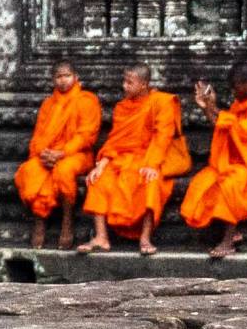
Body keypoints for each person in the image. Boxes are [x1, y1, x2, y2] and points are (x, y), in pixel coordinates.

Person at [180, 67, 247, 259]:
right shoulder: (240, 104)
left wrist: (213, 107)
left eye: (235, 87)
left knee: (229, 184)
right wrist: (206, 107)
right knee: (202, 181)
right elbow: (223, 127)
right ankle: (231, 231)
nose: (233, 92)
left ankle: (228, 240)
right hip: (233, 160)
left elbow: (245, 130)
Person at [80, 67, 189, 256]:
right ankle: (101, 237)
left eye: (129, 82)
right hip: (121, 159)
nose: (124, 86)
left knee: (150, 181)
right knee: (98, 179)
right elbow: (115, 140)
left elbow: (162, 136)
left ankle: (145, 237)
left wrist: (152, 165)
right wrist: (101, 165)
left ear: (144, 84)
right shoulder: (122, 107)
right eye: (124, 81)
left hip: (150, 158)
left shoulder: (162, 102)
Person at [13, 63, 103, 251]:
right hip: (49, 154)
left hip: (77, 155)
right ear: (53, 80)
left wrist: (62, 153)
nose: (63, 81)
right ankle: (39, 219)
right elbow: (38, 135)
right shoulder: (48, 104)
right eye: (58, 77)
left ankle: (67, 220)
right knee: (31, 170)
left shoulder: (87, 100)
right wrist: (43, 153)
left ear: (76, 77)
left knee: (64, 170)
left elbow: (87, 135)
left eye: (67, 76)